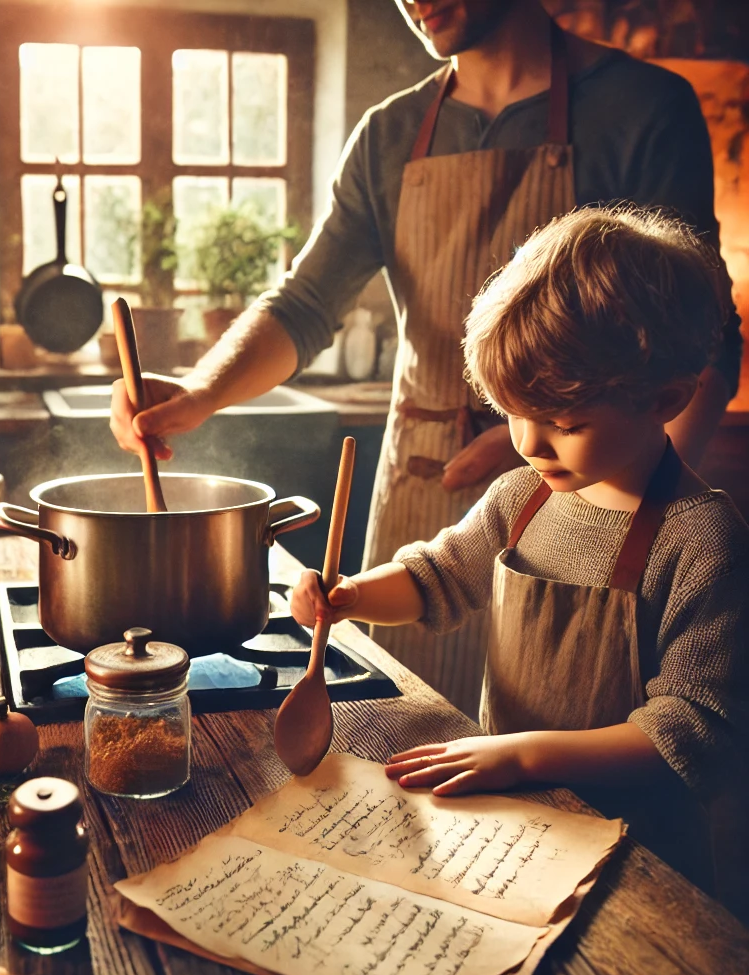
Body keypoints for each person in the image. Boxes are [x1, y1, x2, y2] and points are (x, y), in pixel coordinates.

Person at [110, 0, 742, 717]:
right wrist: (197, 395)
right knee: (403, 729)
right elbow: (306, 303)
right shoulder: (389, 133)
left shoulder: (643, 109)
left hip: (601, 506)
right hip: (419, 483)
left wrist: (637, 515)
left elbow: (704, 335)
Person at [290, 206, 748, 915]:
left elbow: (688, 733)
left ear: (666, 398)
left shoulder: (702, 541)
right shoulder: (523, 498)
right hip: (513, 829)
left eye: (565, 423)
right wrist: (348, 596)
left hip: (640, 858)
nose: (530, 442)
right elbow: (434, 578)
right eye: (514, 411)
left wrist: (525, 753)